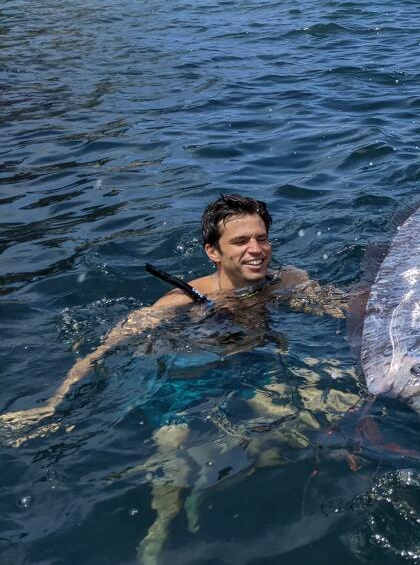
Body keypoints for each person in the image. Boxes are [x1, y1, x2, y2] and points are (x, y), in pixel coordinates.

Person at [0, 194, 349, 563]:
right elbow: (104, 348)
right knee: (174, 461)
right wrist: (55, 403)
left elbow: (340, 305)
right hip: (185, 380)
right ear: (212, 252)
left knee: (339, 396)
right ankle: (160, 530)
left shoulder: (288, 280)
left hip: (253, 368)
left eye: (261, 238)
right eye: (241, 241)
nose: (256, 249)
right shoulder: (181, 302)